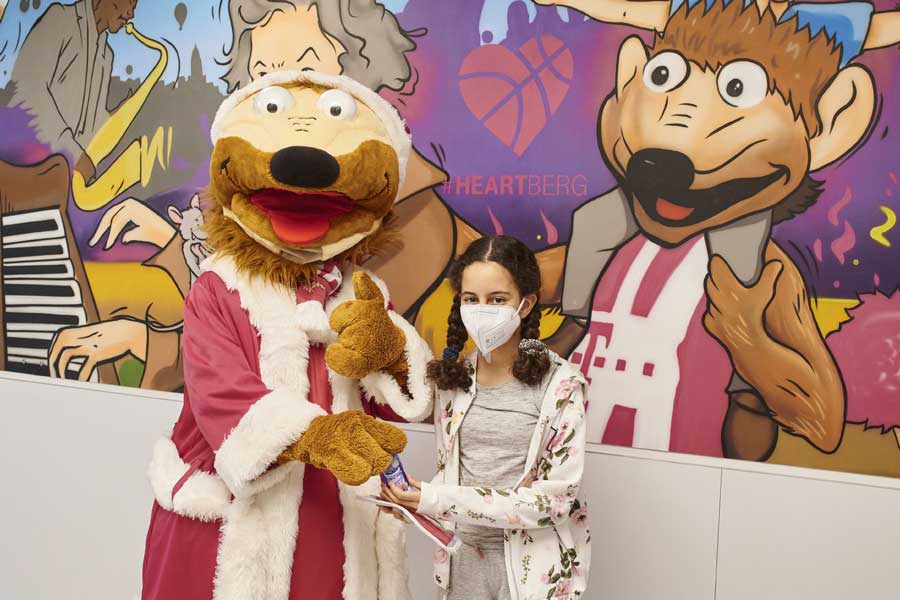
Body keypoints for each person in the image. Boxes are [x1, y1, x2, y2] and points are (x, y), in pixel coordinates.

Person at [382, 236, 591, 600]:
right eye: (470, 299)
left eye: (497, 300)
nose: (482, 310)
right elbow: (457, 478)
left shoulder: (562, 386)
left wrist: (437, 499)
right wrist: (419, 504)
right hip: (460, 564)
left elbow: (554, 503)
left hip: (533, 574)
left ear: (525, 304)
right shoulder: (455, 381)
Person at [10, 0, 140, 180]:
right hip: (23, 165)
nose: (131, 14)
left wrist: (117, 116)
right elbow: (27, 90)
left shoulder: (107, 56)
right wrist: (73, 154)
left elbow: (90, 124)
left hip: (63, 179)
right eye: (130, 3)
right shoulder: (59, 18)